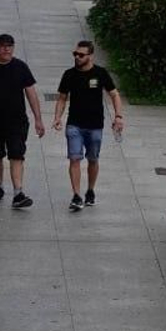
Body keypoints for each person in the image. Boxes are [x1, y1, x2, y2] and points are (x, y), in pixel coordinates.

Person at [51, 40, 124, 212]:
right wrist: (57, 117)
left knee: (93, 159)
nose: (77, 57)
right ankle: (76, 196)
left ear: (90, 56)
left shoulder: (100, 73)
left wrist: (118, 116)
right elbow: (62, 98)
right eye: (75, 54)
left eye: (81, 55)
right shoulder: (69, 74)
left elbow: (114, 94)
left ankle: (90, 190)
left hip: (95, 125)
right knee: (74, 158)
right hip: (74, 124)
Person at [0, 34, 45, 210]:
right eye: (3, 46)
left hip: (16, 121)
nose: (7, 49)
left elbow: (31, 93)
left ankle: (18, 193)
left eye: (10, 46)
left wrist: (38, 119)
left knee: (16, 154)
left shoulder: (20, 67)